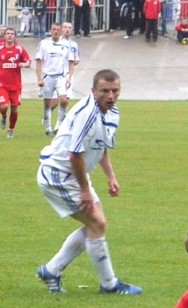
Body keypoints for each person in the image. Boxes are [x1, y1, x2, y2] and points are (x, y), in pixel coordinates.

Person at [36, 69, 143, 295]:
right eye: (105, 91)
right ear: (93, 91)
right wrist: (85, 190)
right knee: (98, 224)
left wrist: (111, 176)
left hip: (76, 175)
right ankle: (109, 284)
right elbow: (74, 154)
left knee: (96, 224)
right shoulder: (88, 114)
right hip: (59, 175)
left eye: (115, 91)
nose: (110, 96)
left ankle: (51, 271)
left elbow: (101, 147)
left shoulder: (112, 113)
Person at [0, 27, 31, 139]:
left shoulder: (19, 49)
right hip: (2, 84)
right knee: (3, 107)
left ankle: (11, 129)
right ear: (4, 36)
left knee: (14, 108)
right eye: (7, 33)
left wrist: (24, 64)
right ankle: (3, 116)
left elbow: (28, 61)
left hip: (15, 85)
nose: (9, 35)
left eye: (12, 34)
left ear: (14, 36)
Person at [35, 22, 74, 135]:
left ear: (61, 31)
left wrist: (69, 77)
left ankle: (60, 125)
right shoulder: (44, 44)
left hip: (61, 77)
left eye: (58, 29)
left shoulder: (66, 45)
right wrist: (39, 78)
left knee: (63, 100)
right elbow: (38, 61)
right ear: (50, 31)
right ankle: (48, 127)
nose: (56, 31)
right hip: (48, 77)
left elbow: (71, 62)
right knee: (47, 103)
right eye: (54, 29)